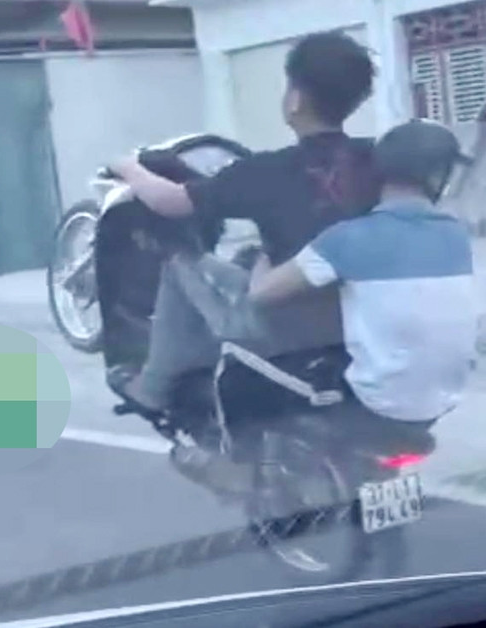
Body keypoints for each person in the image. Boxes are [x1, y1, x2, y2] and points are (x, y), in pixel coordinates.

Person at [106, 31, 381, 430]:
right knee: (250, 257)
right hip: (361, 321)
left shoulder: (266, 172)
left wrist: (128, 167)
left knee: (181, 262)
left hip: (286, 332)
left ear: (295, 99)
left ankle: (153, 386)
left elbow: (171, 201)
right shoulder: (379, 159)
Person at [248, 119, 477, 428]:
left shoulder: (346, 239)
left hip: (377, 403)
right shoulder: (455, 235)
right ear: (437, 177)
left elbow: (261, 295)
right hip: (446, 400)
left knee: (247, 364)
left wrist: (262, 253)